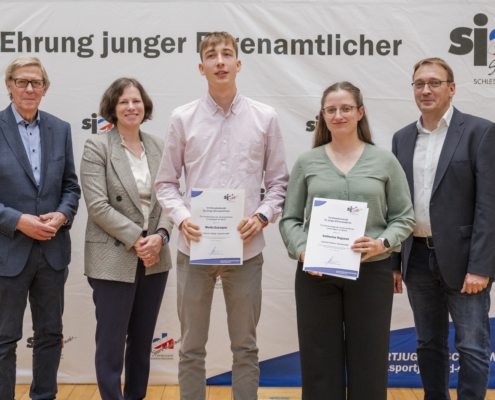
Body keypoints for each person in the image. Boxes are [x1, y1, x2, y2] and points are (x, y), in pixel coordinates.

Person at [154, 31, 289, 400]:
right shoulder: (182, 118)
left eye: (227, 54)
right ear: (201, 67)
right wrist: (182, 218)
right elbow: (165, 183)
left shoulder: (265, 117)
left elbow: (278, 183)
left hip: (246, 251)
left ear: (238, 64)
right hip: (194, 247)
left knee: (245, 348)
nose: (220, 61)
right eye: (211, 56)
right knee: (190, 348)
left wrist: (261, 217)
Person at [279, 81, 415, 400]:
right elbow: (290, 219)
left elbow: (404, 216)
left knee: (369, 359)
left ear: (360, 112)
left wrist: (383, 243)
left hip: (372, 273)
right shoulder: (307, 162)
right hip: (316, 275)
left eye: (345, 108)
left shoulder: (384, 161)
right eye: (331, 109)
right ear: (323, 116)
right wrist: (302, 250)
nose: (338, 115)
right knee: (318, 361)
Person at [391, 57, 495, 400]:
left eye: (434, 83)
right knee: (428, 343)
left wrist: (481, 266)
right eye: (419, 83)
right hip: (416, 257)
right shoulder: (402, 139)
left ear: (451, 88)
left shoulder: (480, 132)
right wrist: (395, 262)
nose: (426, 90)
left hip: (465, 262)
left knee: (472, 346)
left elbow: (489, 206)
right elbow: (396, 206)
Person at [80, 78, 173, 400]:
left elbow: (169, 198)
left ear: (144, 105)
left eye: (136, 101)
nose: (131, 107)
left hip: (155, 255)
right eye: (123, 102)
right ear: (113, 109)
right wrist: (139, 239)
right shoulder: (97, 146)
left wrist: (160, 236)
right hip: (113, 255)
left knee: (143, 338)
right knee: (111, 341)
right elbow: (97, 206)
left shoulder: (160, 146)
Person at [0, 56, 80, 400]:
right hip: (9, 254)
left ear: (45, 89)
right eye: (22, 81)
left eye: (36, 83)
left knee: (50, 334)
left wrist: (62, 215)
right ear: (9, 85)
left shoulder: (59, 129)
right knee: (4, 339)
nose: (29, 89)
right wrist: (18, 221)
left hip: (52, 253)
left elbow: (71, 187)